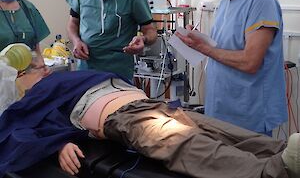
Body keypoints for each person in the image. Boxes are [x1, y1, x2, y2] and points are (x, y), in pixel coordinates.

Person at [0, 70, 299, 178]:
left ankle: (282, 151)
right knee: (182, 142)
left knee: (214, 128)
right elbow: (18, 130)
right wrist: (58, 144)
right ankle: (272, 171)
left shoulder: (63, 78)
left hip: (148, 103)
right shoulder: (33, 96)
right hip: (125, 116)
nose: (41, 68)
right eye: (30, 68)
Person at [176, 0, 287, 135]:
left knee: (249, 164)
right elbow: (227, 45)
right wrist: (199, 40)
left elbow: (250, 62)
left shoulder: (261, 0)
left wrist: (205, 48)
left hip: (247, 112)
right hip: (222, 106)